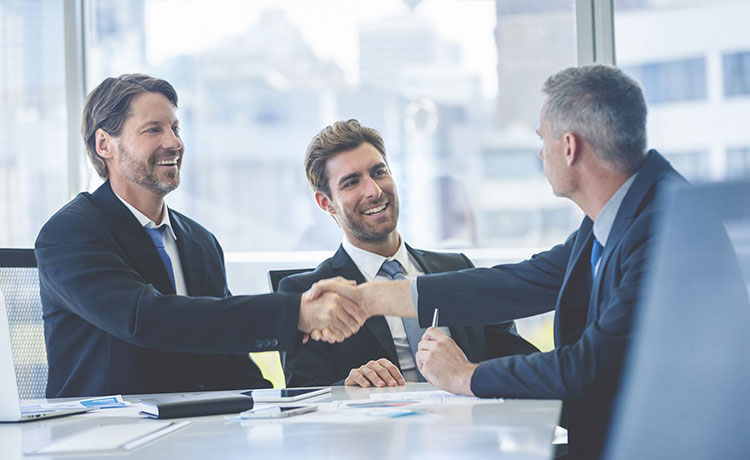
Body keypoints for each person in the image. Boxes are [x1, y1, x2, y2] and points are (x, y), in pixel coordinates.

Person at [308, 65, 685, 459]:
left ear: (569, 147)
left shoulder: (663, 227)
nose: (541, 152)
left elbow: (587, 365)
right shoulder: (613, 220)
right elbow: (517, 284)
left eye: (544, 140)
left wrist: (465, 375)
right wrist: (370, 299)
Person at [35, 74, 366, 398]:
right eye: (153, 130)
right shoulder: (71, 234)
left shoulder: (199, 241)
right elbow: (146, 319)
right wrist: (295, 313)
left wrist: (316, 400)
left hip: (197, 431)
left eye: (175, 128)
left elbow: (232, 359)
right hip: (106, 438)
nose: (174, 142)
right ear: (104, 144)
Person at [279, 120, 537, 388]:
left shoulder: (458, 269)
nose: (374, 191)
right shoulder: (308, 295)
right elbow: (304, 394)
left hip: (468, 424)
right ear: (326, 203)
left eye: (379, 172)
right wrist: (347, 386)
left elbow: (516, 359)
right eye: (352, 182)